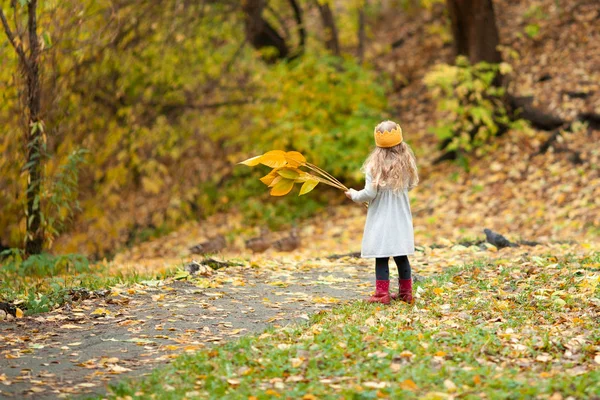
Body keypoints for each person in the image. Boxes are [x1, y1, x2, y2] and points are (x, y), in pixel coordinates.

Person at [345, 120, 419, 304]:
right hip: (400, 216)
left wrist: (354, 195)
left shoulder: (374, 167)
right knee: (401, 256)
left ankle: (382, 294)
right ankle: (406, 293)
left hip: (382, 219)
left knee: (382, 256)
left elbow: (370, 193)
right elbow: (410, 186)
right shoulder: (407, 163)